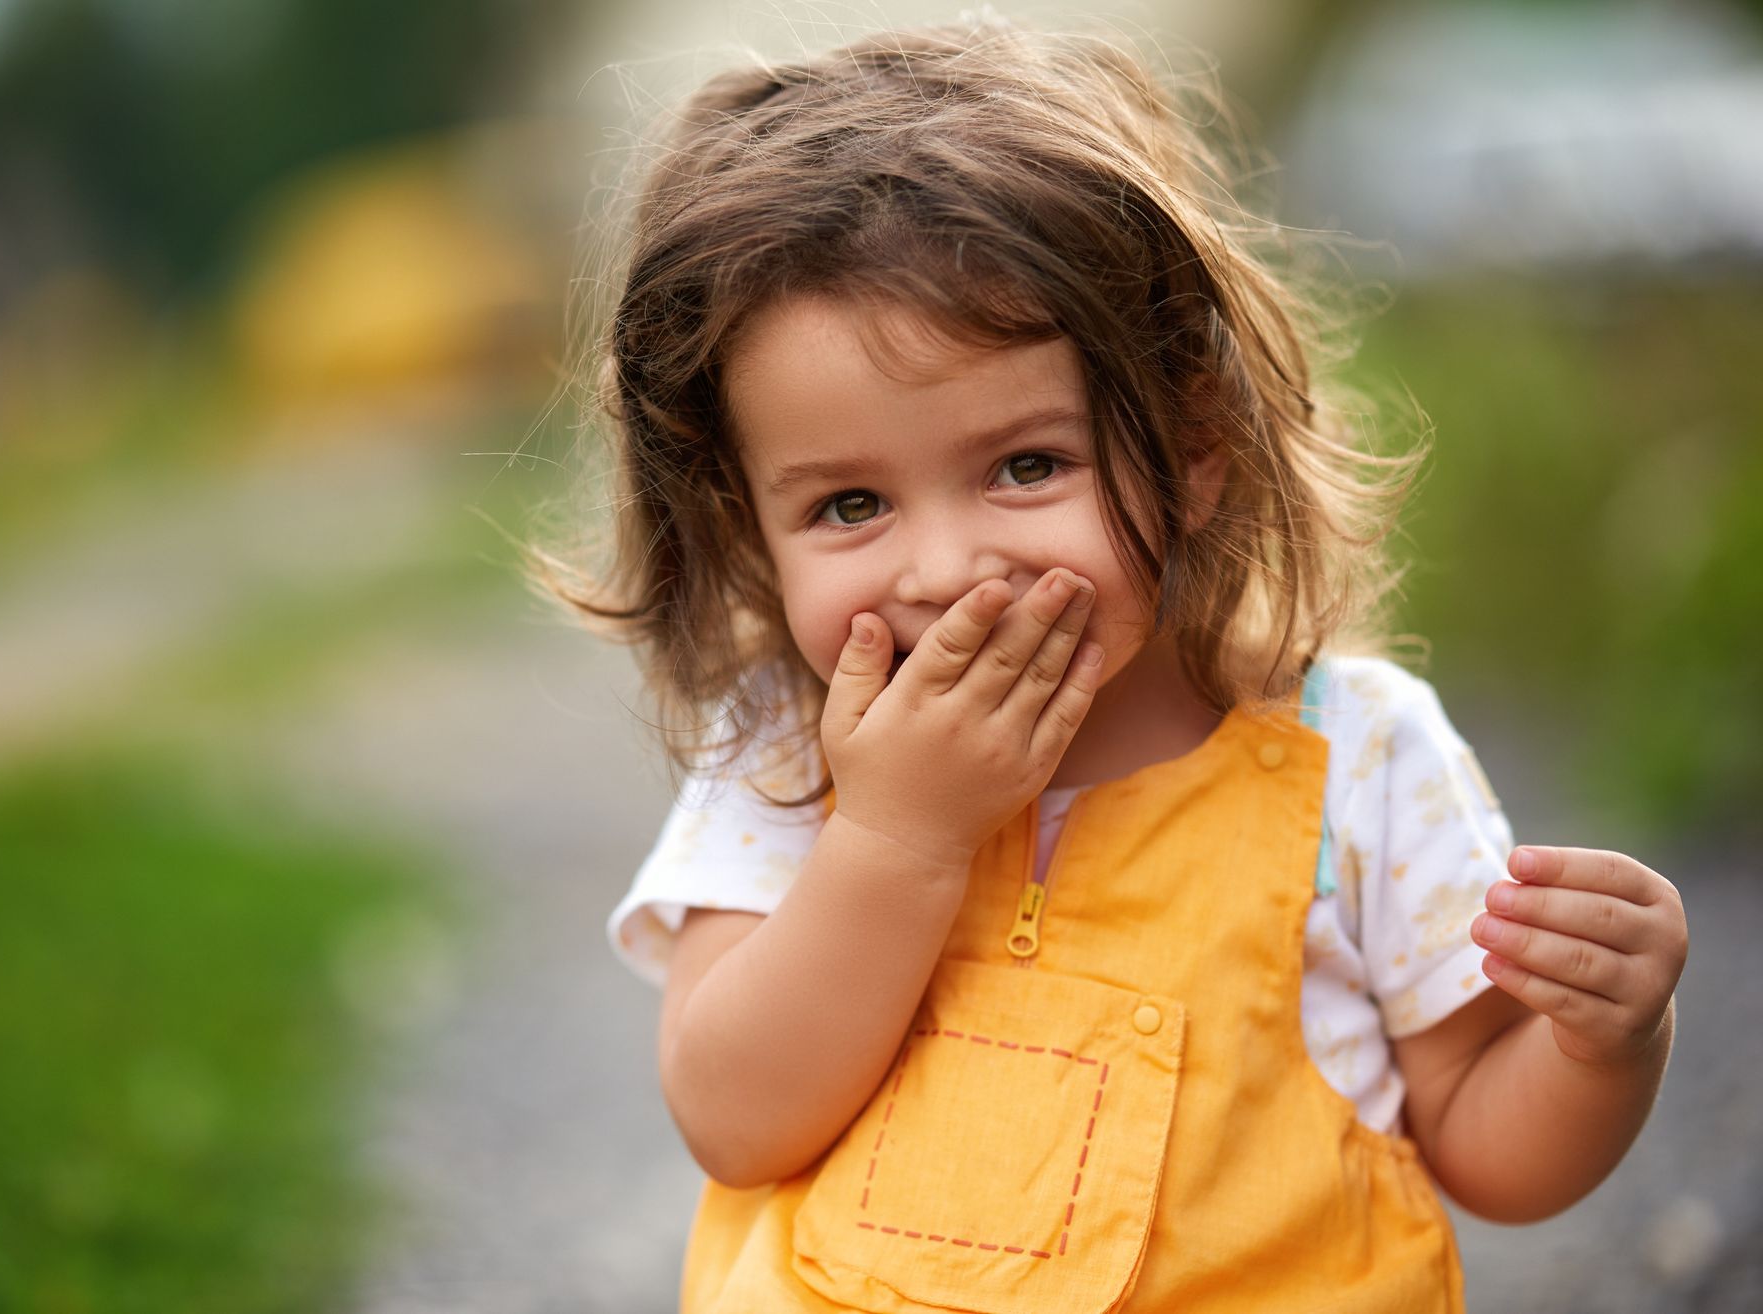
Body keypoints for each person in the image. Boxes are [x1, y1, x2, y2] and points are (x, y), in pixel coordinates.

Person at [533, 15, 1689, 1311]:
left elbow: (1484, 1142)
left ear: (1193, 447)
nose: (946, 567)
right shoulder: (791, 751)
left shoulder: (1349, 755)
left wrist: (1605, 1044)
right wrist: (899, 837)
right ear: (746, 521)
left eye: (1027, 466)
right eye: (848, 505)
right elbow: (737, 1119)